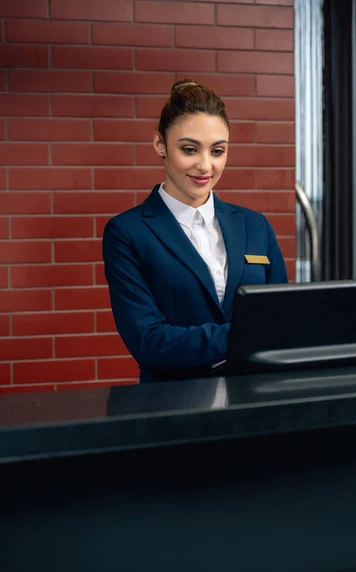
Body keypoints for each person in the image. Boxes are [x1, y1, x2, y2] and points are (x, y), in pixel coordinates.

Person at [102, 80, 288, 384]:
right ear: (160, 144)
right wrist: (249, 334)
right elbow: (149, 343)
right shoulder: (128, 232)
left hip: (256, 399)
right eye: (189, 149)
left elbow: (283, 317)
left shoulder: (255, 226)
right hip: (176, 406)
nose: (205, 165)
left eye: (217, 151)